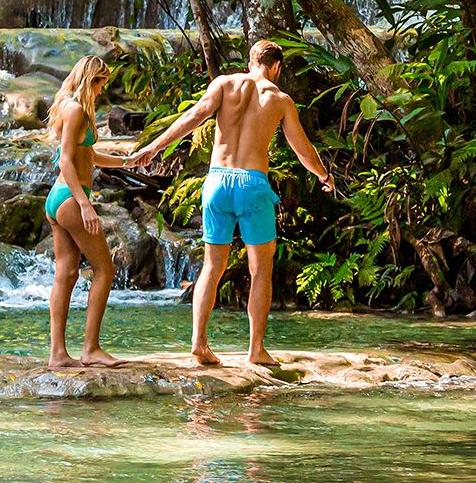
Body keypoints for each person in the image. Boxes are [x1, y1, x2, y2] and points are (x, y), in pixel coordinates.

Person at [127, 40, 334, 367]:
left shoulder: (224, 84)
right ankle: (256, 350)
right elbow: (302, 149)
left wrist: (152, 148)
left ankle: (199, 343)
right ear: (276, 67)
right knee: (260, 268)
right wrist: (324, 176)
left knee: (212, 265)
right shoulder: (279, 100)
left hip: (217, 182)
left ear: (251, 61)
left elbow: (192, 118)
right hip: (253, 185)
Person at [43, 55, 135, 369]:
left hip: (57, 198)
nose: (101, 91)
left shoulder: (65, 103)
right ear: (89, 79)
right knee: (105, 270)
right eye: (100, 84)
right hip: (70, 197)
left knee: (66, 274)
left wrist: (127, 162)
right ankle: (90, 349)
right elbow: (65, 161)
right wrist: (85, 204)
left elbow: (89, 154)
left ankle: (57, 354)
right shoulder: (76, 109)